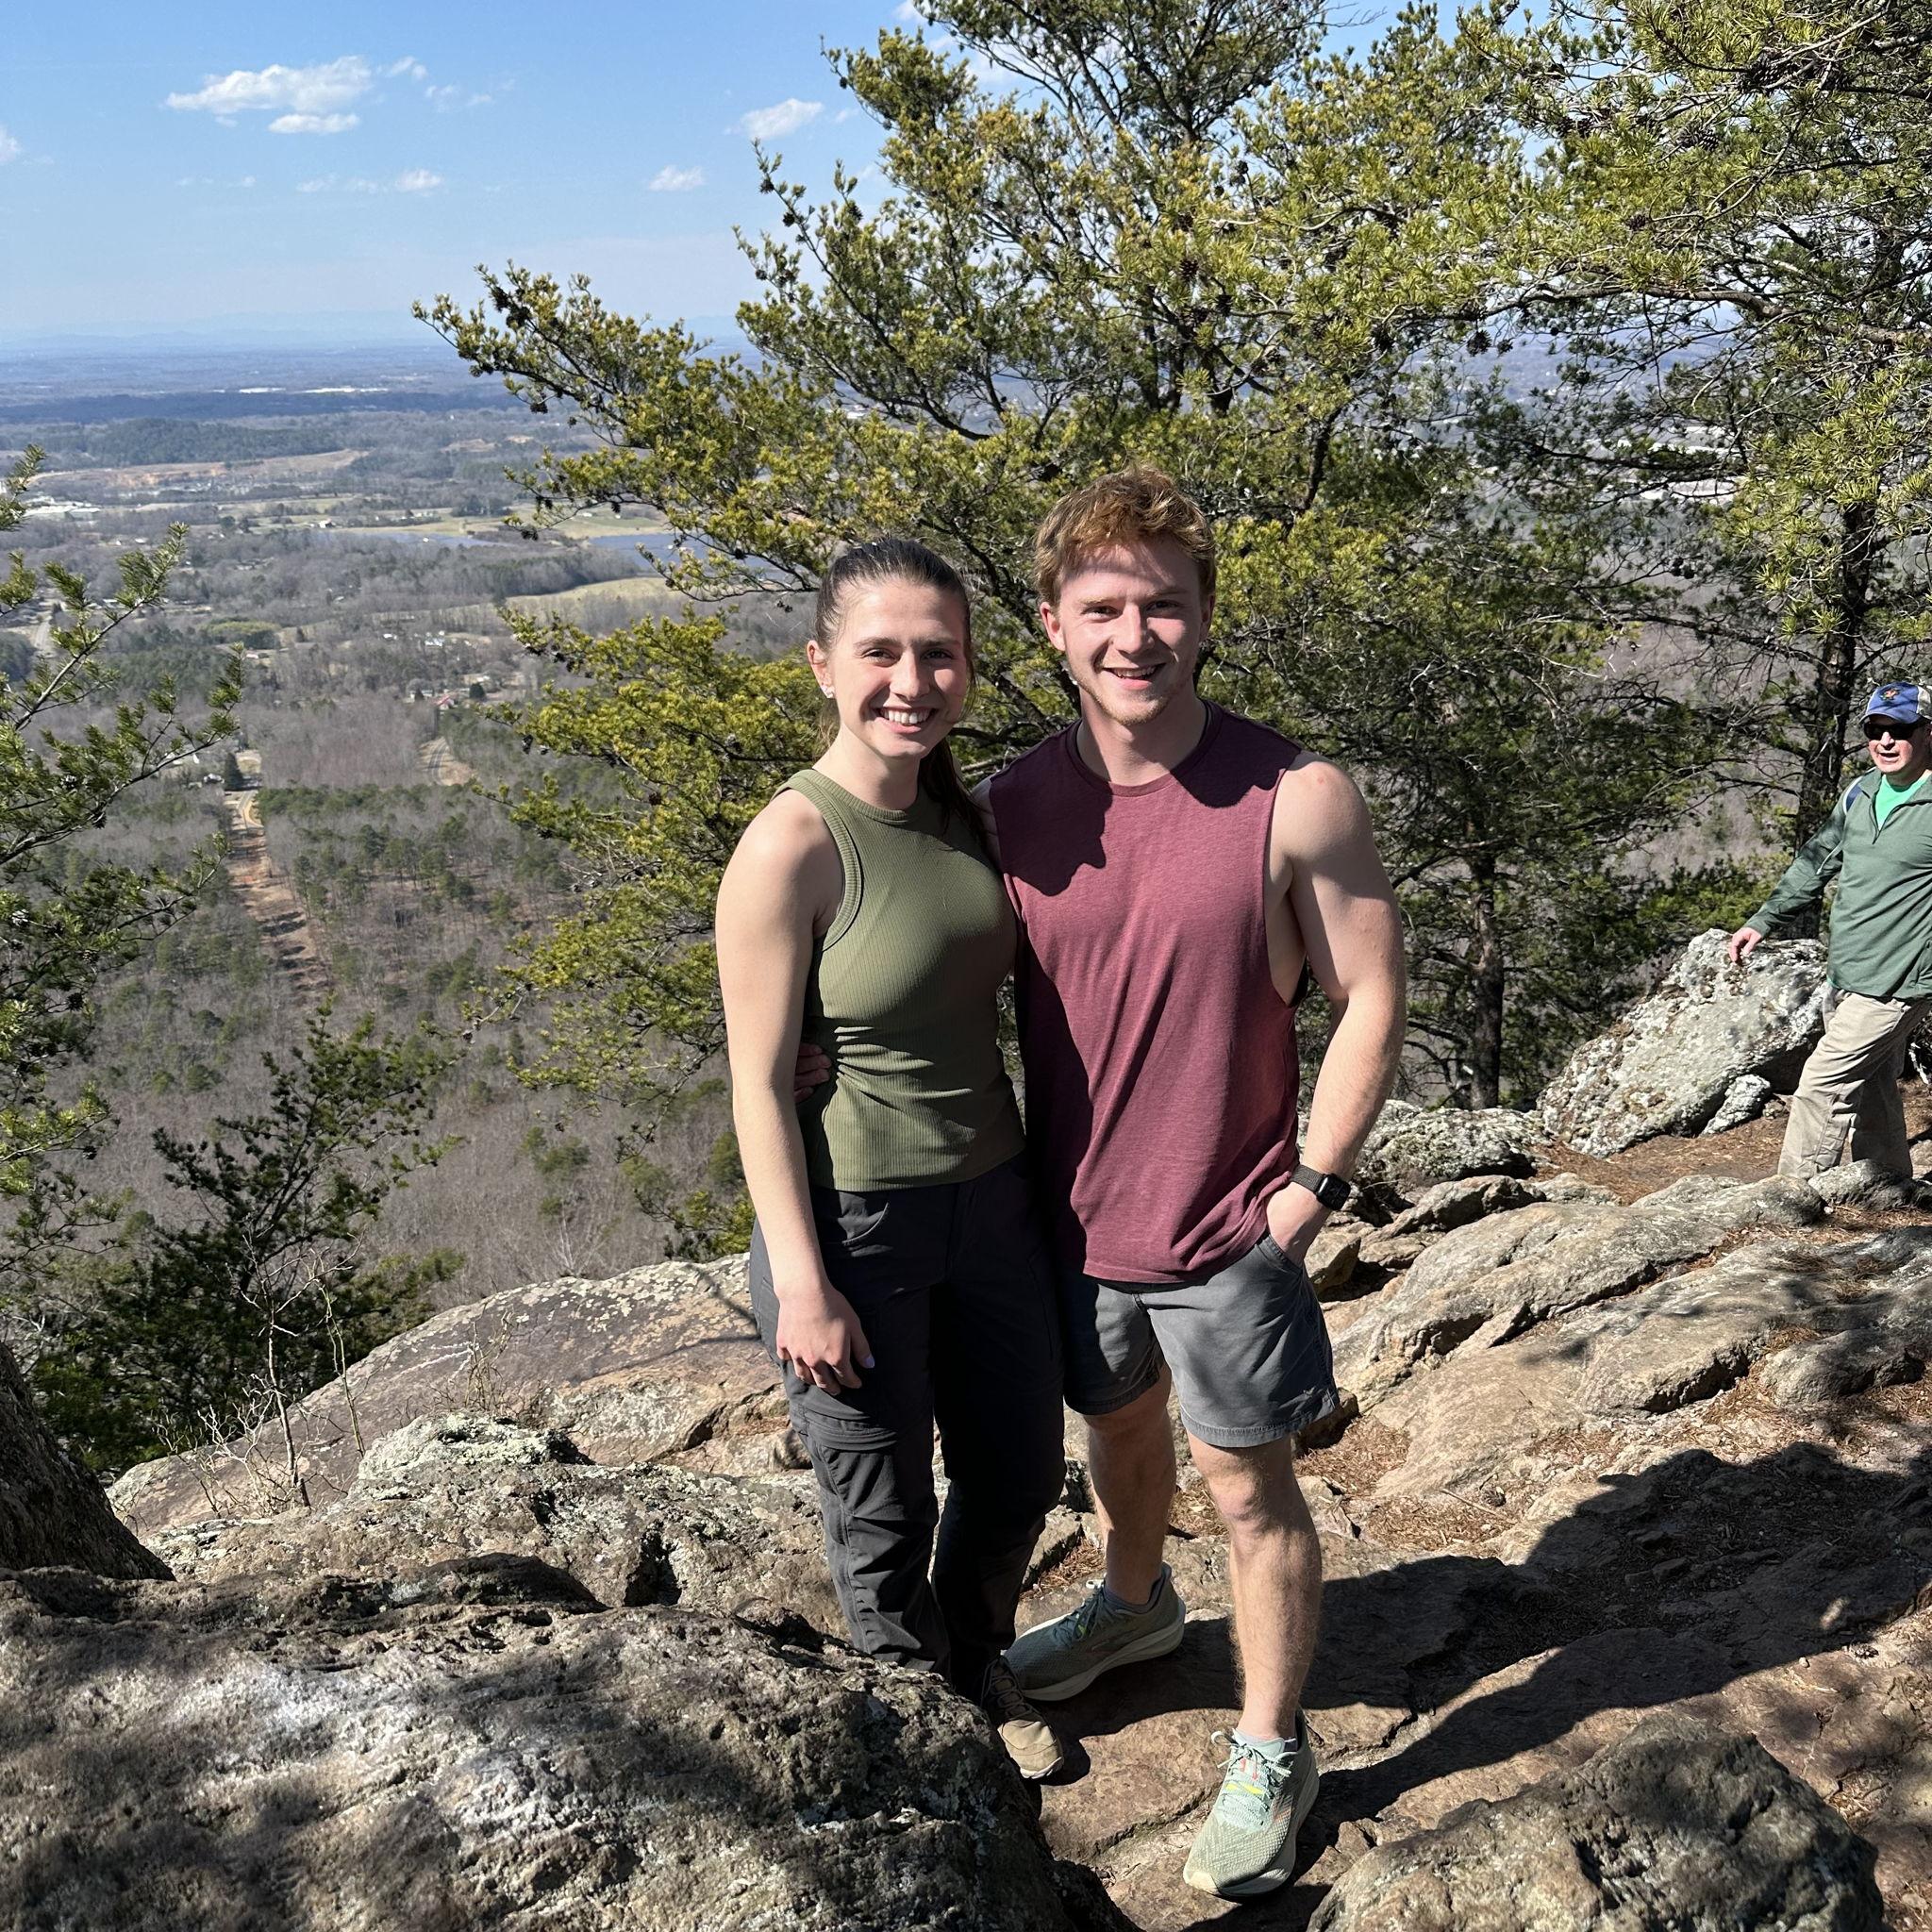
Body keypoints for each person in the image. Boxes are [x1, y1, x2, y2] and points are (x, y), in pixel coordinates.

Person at [988, 466, 1407, 1900]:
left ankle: (1272, 1742)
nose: (1135, 635)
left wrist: (1312, 1186)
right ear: (1053, 624)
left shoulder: (1293, 795)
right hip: (1073, 1217)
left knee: (1249, 1488)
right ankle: (1132, 1603)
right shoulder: (1011, 806)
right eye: (1103, 606)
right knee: (1114, 1429)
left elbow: (1369, 993)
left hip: (1230, 1224)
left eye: (1164, 604)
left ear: (1206, 617)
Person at [715, 537, 1067, 1781]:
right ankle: (922, 1729)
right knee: (883, 1508)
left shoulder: (967, 816)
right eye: (880, 652)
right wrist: (803, 1283)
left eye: (938, 654)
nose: (910, 681)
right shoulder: (793, 845)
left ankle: (974, 1660)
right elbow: (759, 1085)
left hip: (994, 1200)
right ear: (822, 663)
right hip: (854, 1223)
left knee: (1018, 1471)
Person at [1728, 681, 1932, 1182]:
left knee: (1821, 1084)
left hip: (1898, 980)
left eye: (1900, 730)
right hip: (1845, 971)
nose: (1885, 741)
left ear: (1928, 732)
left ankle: (1790, 1198)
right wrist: (1764, 920)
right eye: (1875, 731)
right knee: (1873, 1079)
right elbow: (1816, 861)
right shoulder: (1861, 792)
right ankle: (1887, 1183)